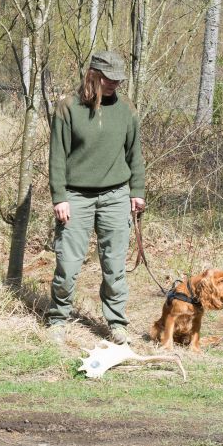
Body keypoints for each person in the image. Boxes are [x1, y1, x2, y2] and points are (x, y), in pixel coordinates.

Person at [45, 50, 146, 346]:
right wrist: (59, 196)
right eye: (109, 79)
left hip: (116, 196)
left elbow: (135, 155)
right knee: (68, 264)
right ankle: (58, 319)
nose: (114, 84)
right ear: (94, 76)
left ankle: (117, 323)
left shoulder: (127, 110)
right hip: (75, 196)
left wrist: (137, 192)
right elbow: (58, 157)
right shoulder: (68, 108)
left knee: (115, 266)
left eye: (118, 80)